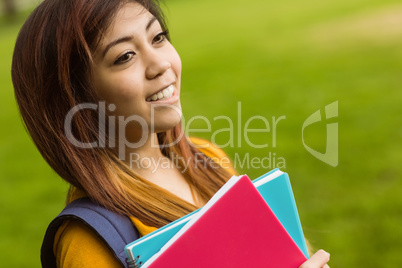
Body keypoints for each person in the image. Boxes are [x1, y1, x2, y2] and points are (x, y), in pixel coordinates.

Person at [11, 0, 330, 267]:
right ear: (76, 97)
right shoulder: (88, 240)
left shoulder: (207, 157)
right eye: (125, 57)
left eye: (158, 37)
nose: (159, 64)